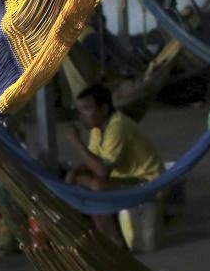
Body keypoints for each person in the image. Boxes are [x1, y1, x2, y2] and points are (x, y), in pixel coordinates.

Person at [64, 83, 163, 247]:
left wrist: (76, 142)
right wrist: (73, 174)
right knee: (83, 182)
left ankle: (114, 241)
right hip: (124, 179)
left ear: (103, 109)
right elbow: (92, 159)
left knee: (96, 186)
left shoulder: (117, 126)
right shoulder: (98, 128)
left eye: (87, 109)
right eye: (80, 110)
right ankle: (105, 237)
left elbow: (102, 170)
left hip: (148, 181)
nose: (82, 115)